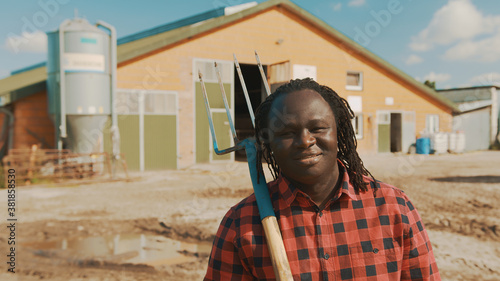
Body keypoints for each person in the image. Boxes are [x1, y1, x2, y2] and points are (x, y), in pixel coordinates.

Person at [204, 78, 440, 280]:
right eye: (286, 133)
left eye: (317, 128)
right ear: (269, 145)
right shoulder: (240, 224)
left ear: (340, 133)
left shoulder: (394, 208)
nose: (305, 141)